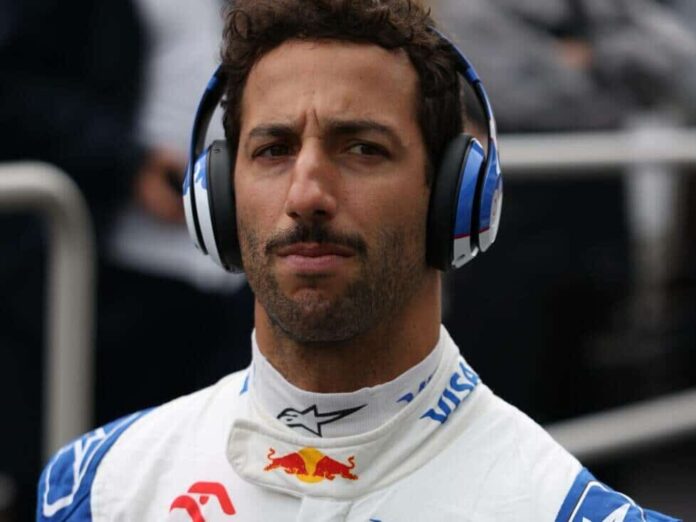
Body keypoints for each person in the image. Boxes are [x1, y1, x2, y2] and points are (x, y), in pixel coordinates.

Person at [37, 1, 679, 520]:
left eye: (363, 149)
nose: (307, 195)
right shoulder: (99, 488)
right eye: (273, 149)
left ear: (455, 197)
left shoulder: (562, 510)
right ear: (219, 200)